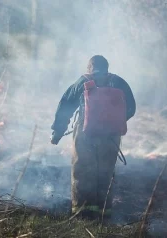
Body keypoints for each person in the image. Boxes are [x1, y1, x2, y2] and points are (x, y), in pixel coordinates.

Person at [50, 55, 136, 219]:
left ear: (89, 68)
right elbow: (131, 108)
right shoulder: (119, 82)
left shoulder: (82, 82)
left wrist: (57, 132)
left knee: (83, 172)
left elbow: (65, 108)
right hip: (111, 136)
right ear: (107, 67)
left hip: (85, 134)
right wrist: (114, 121)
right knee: (105, 172)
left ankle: (82, 214)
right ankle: (104, 214)